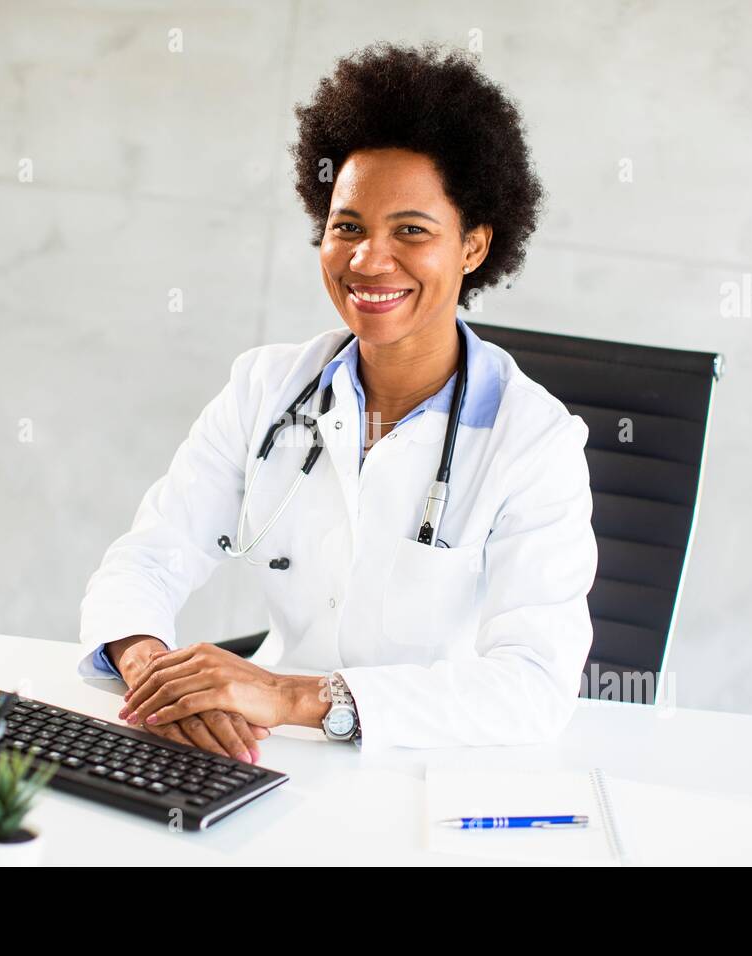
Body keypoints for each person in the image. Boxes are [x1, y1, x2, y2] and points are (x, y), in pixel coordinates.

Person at [78, 41, 597, 759]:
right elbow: (146, 560)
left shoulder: (534, 443)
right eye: (347, 226)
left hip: (427, 761)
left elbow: (533, 688)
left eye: (411, 231)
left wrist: (294, 695)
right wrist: (155, 675)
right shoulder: (265, 389)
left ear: (474, 246)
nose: (367, 260)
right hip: (263, 749)